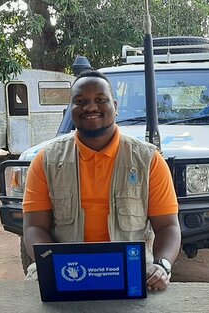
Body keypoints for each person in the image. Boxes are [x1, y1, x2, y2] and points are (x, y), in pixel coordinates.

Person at [22, 70, 181, 291]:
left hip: (132, 272)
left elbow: (168, 226)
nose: (90, 107)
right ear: (71, 110)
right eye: (80, 101)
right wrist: (53, 264)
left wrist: (161, 266)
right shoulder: (46, 161)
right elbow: (34, 227)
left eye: (100, 100)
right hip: (67, 272)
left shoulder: (149, 160)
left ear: (115, 106)